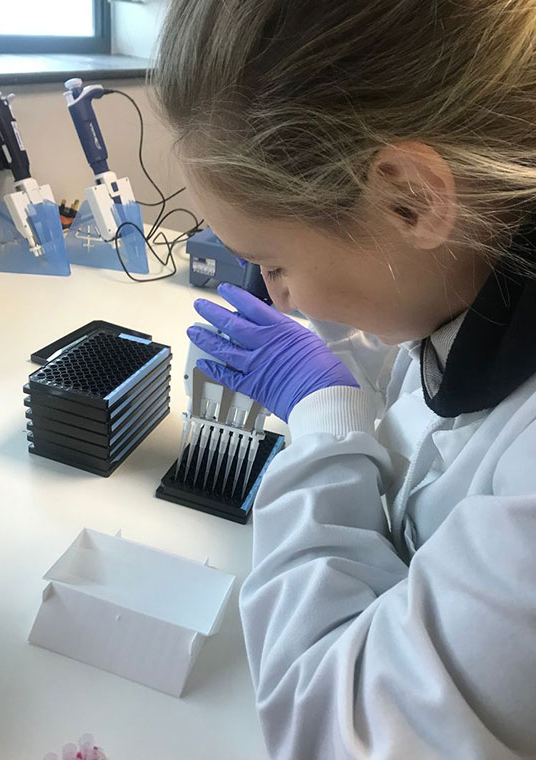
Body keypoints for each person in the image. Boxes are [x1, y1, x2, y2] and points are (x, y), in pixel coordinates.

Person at [154, 1, 536, 757]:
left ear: (412, 198)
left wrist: (327, 422)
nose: (278, 298)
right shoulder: (482, 273)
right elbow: (430, 394)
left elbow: (337, 725)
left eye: (274, 263)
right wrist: (352, 364)